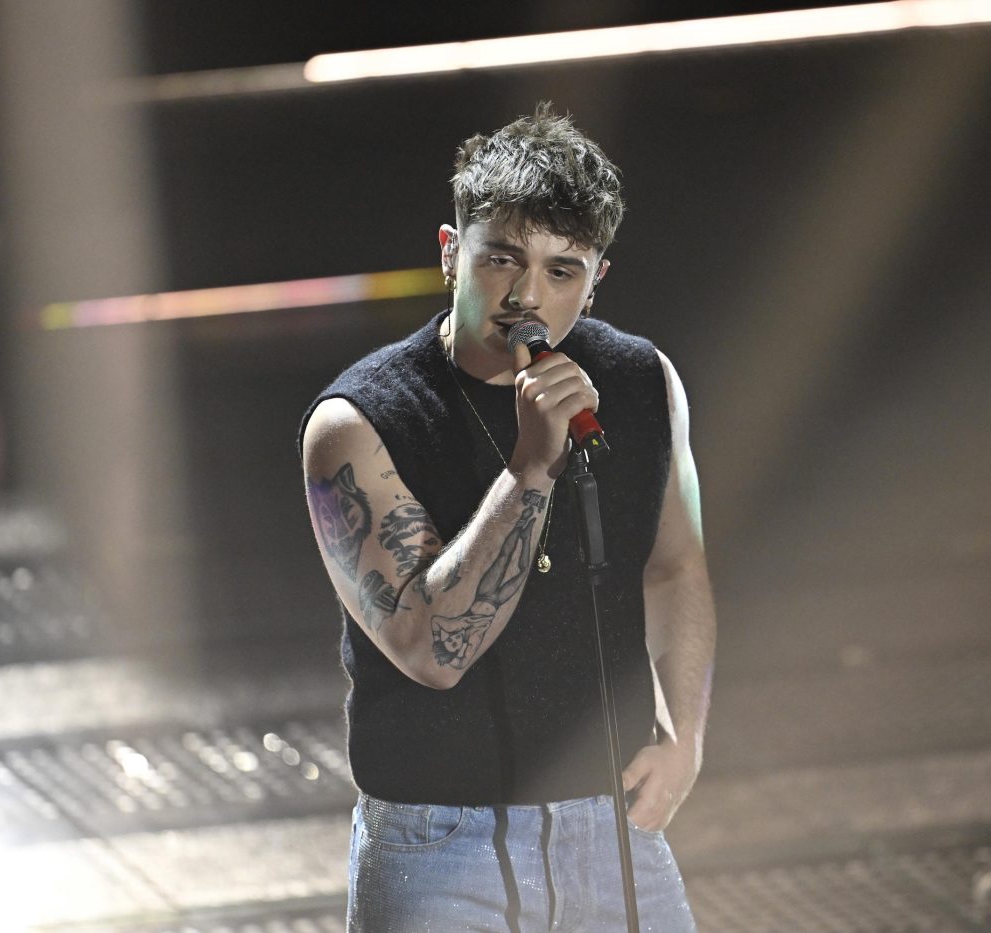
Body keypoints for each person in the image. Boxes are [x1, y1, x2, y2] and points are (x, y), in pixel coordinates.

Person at [299, 103, 715, 931]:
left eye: (563, 270)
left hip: (610, 826)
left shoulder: (642, 380)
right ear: (450, 251)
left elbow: (675, 565)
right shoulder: (356, 424)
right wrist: (531, 465)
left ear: (597, 279)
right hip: (436, 842)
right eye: (501, 259)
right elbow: (429, 650)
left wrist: (685, 739)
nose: (527, 295)